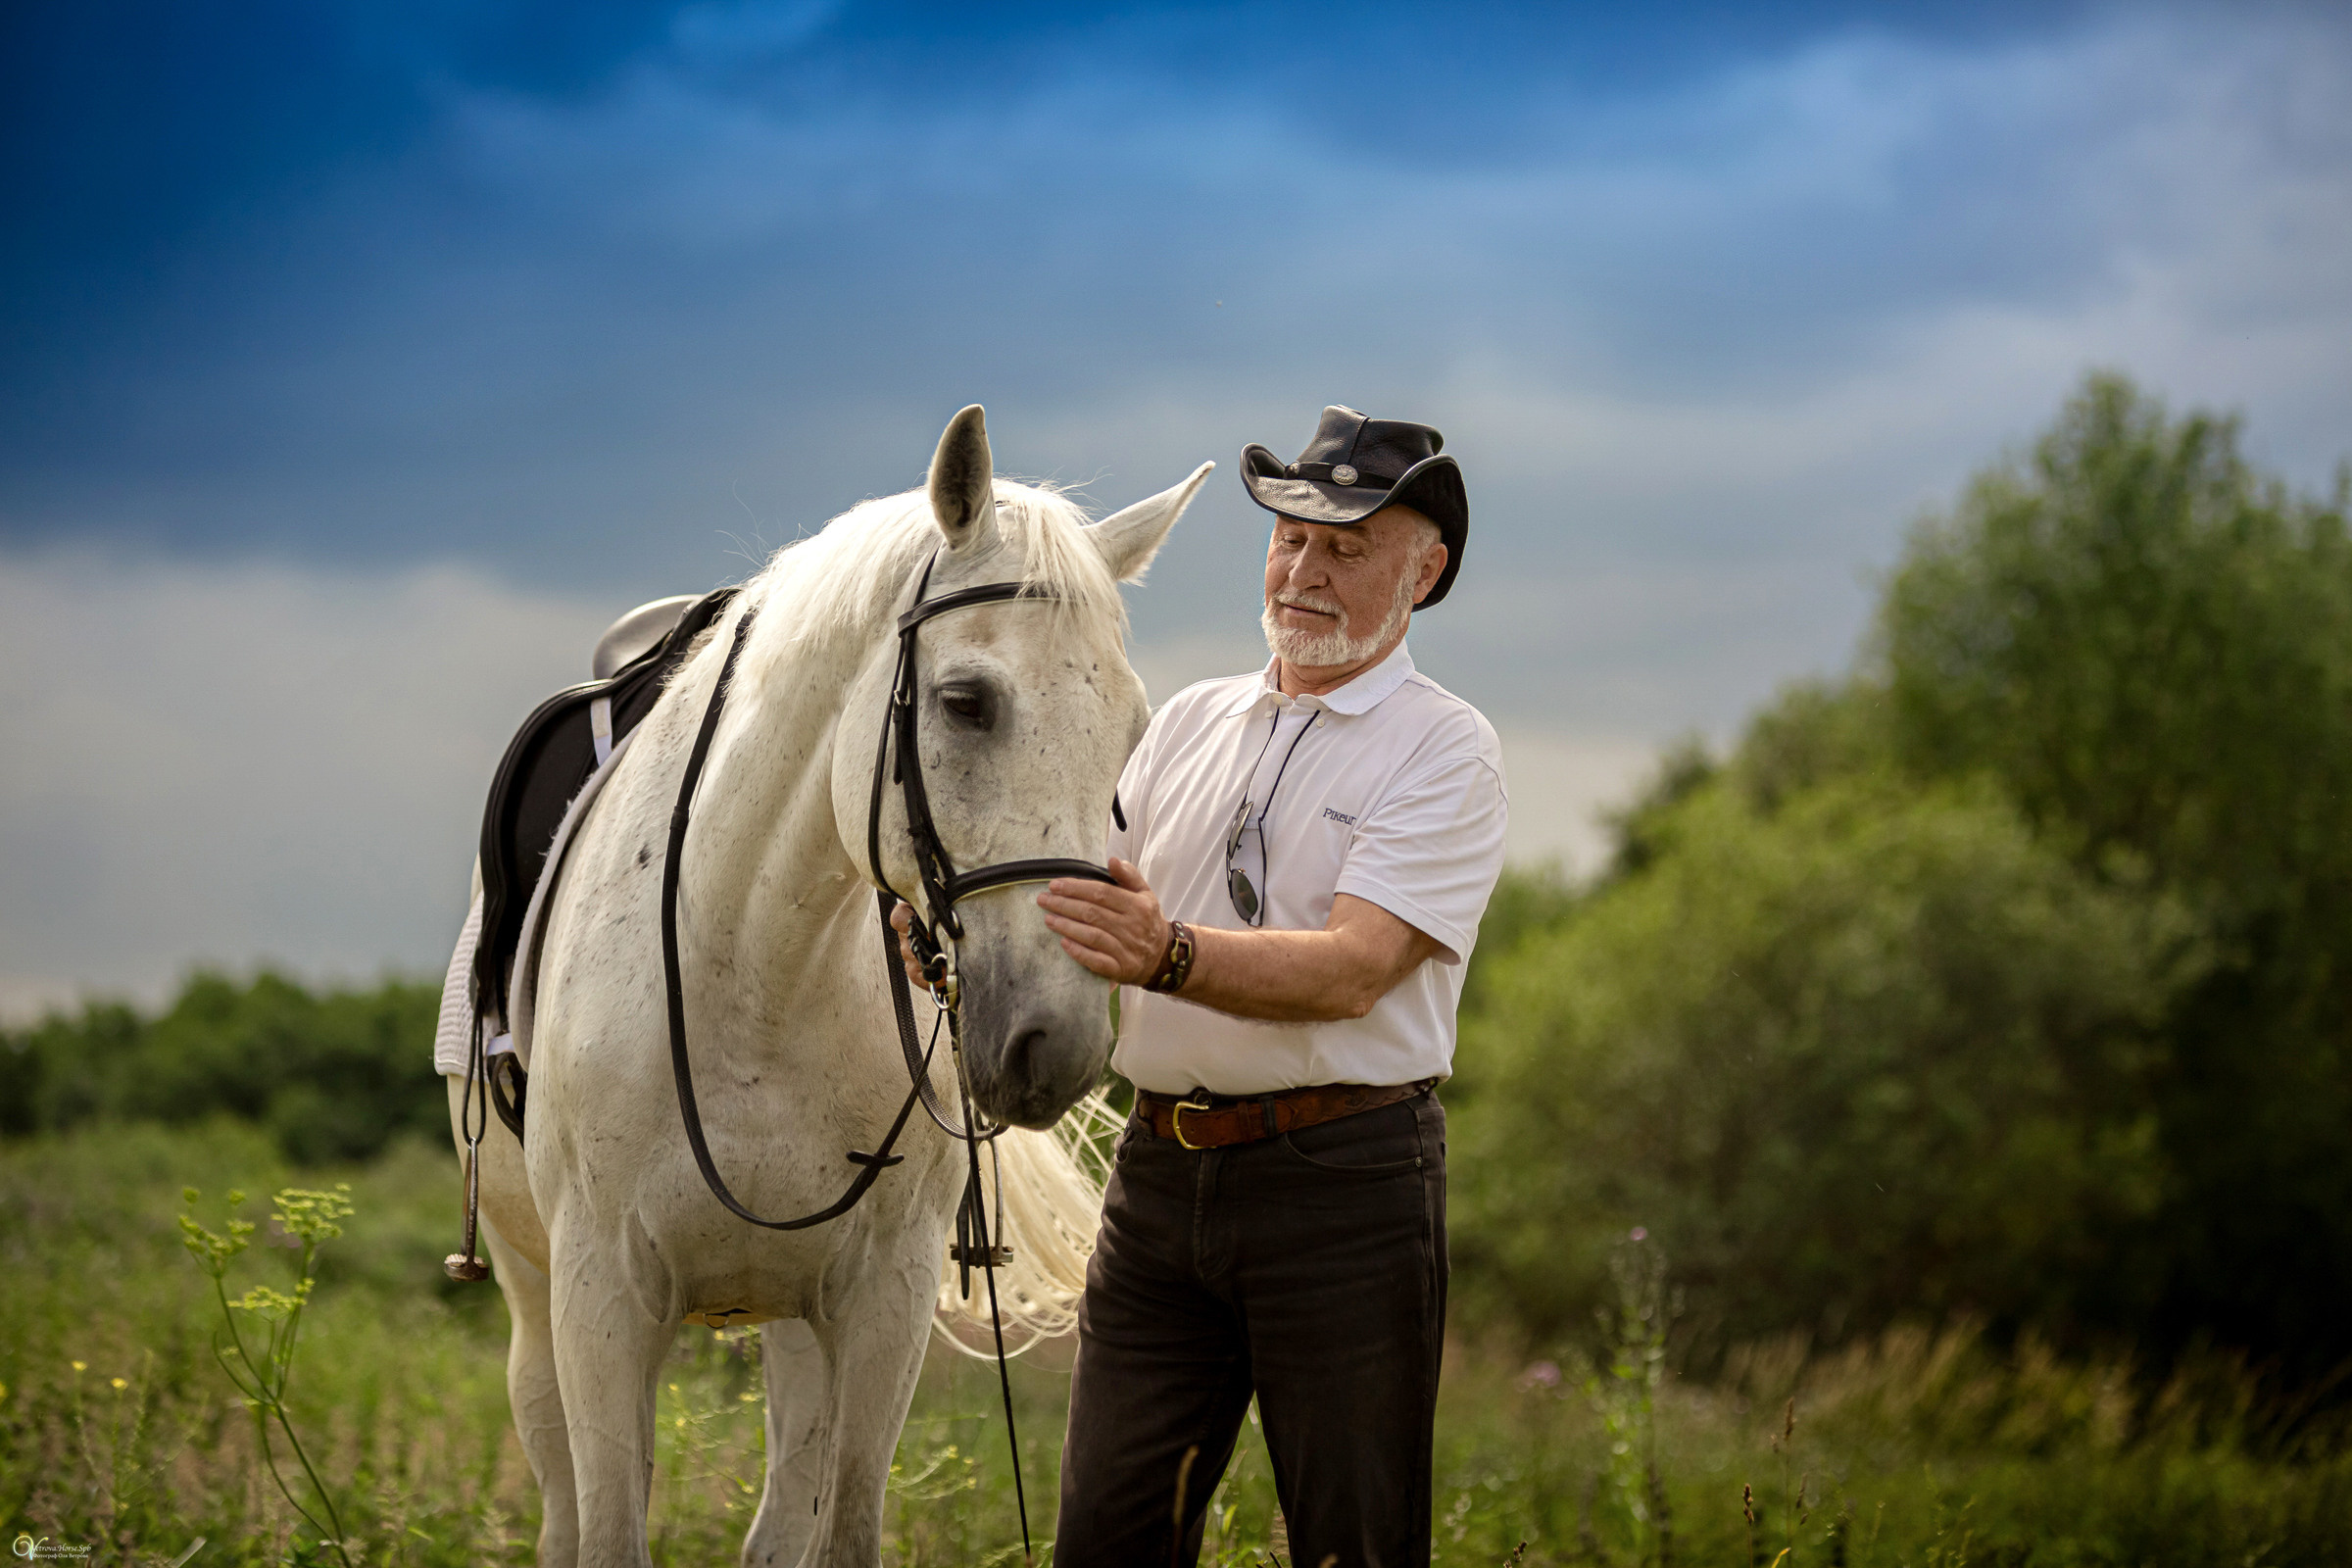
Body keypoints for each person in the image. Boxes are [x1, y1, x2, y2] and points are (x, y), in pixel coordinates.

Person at [1036, 405, 1507, 1566]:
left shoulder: (1444, 746)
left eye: (1347, 548)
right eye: (1292, 538)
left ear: (1425, 569)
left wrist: (1166, 954)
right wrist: (953, 929)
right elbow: (1080, 904)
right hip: (1155, 1183)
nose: (1306, 569)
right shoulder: (1187, 718)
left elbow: (1356, 970)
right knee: (1107, 1540)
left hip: (1342, 1191)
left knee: (1353, 1546)